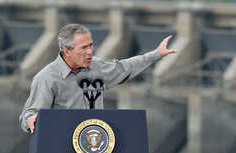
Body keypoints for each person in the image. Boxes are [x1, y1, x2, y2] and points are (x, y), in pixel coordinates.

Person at [19, 24, 176, 133]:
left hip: (96, 146)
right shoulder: (46, 78)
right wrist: (30, 120)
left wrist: (157, 54)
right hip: (63, 147)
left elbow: (125, 67)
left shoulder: (96, 67)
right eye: (84, 48)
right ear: (67, 51)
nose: (90, 52)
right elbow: (29, 114)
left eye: (91, 45)